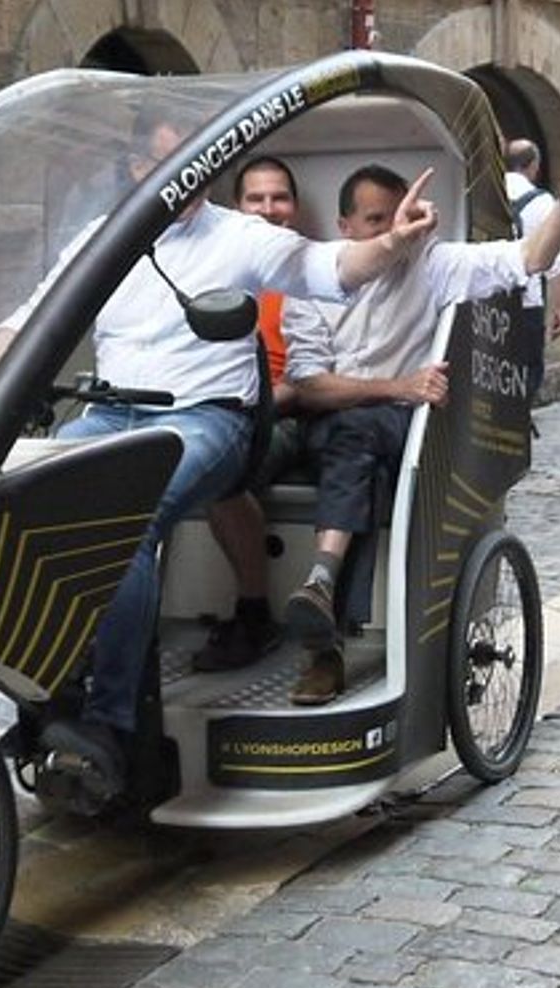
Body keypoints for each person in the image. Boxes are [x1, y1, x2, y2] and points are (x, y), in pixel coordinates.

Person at [0, 118, 437, 799]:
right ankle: (48, 699)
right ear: (134, 169)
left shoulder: (239, 237)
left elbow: (331, 267)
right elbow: (32, 316)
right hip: (111, 413)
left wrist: (391, 239)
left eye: (201, 162)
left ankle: (111, 728)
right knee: (21, 503)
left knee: (126, 519)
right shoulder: (106, 239)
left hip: (208, 418)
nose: (189, 175)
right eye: (168, 161)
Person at [283, 147, 560, 706]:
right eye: (378, 220)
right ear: (346, 226)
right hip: (339, 424)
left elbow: (530, 259)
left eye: (401, 213)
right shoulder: (316, 278)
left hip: (405, 428)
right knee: (355, 444)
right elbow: (310, 386)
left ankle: (322, 597)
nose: (397, 228)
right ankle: (320, 613)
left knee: (365, 436)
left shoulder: (434, 262)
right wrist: (397, 385)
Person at [189, 155, 330, 671]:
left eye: (279, 198)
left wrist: (260, 400)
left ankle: (253, 614)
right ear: (237, 206)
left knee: (222, 468)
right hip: (211, 402)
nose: (269, 209)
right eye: (256, 199)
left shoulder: (308, 270)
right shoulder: (215, 268)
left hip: (283, 412)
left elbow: (310, 376)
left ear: (293, 206)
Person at [503, 138, 560, 401]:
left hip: (487, 300)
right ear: (533, 166)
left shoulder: (485, 194)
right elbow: (556, 260)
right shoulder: (542, 203)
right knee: (528, 367)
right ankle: (519, 416)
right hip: (527, 300)